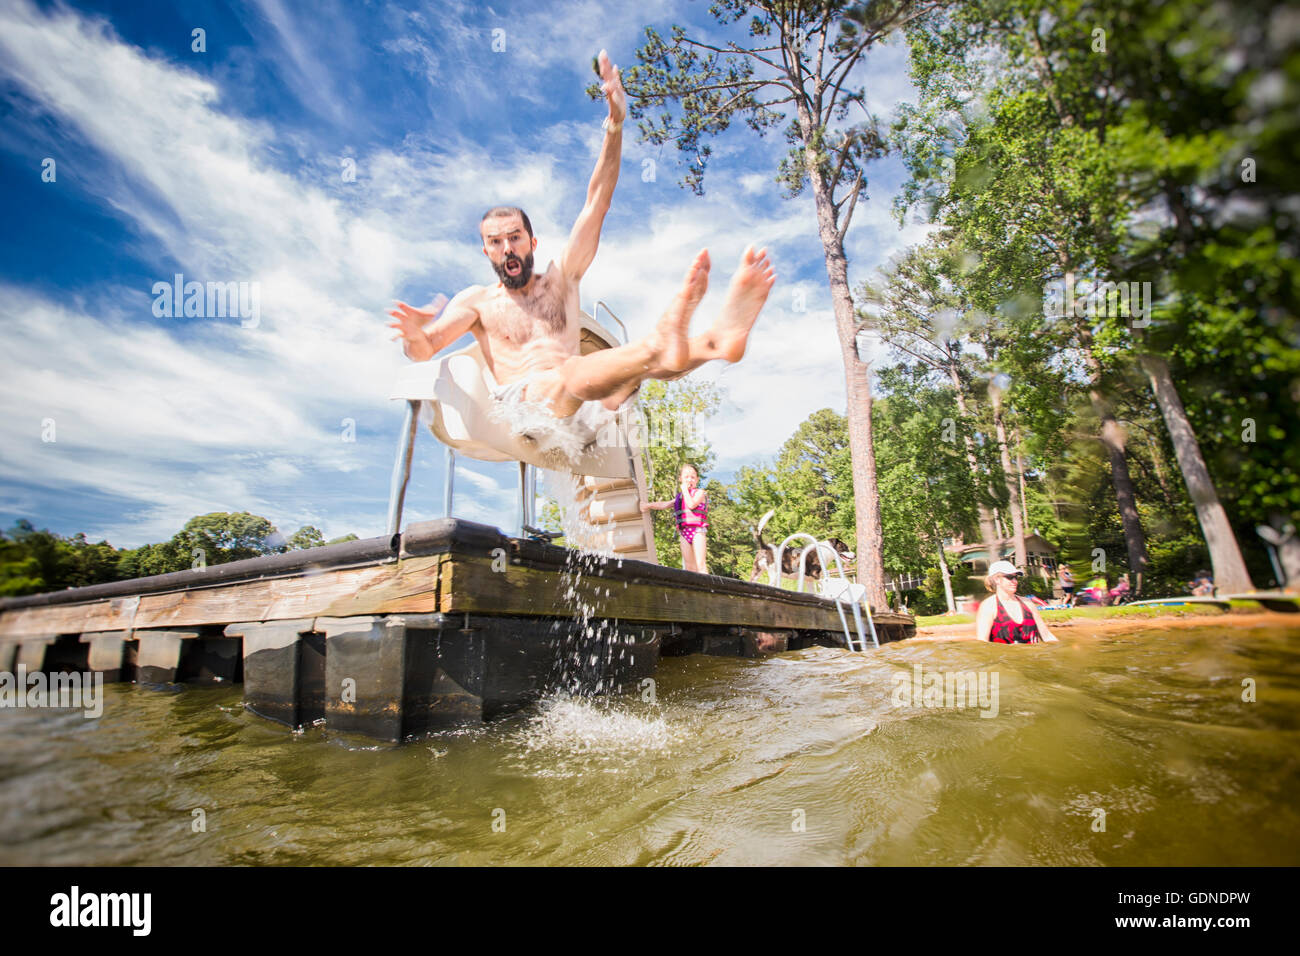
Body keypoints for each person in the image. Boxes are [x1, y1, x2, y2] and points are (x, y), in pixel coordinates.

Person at [387, 50, 776, 461]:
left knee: (629, 378)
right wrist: (414, 337)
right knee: (588, 371)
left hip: (581, 413)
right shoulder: (476, 301)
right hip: (523, 414)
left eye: (515, 238)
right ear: (486, 250)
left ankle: (715, 343)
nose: (507, 249)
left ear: (532, 243)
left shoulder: (562, 278)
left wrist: (615, 125)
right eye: (497, 242)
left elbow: (597, 202)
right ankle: (670, 343)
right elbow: (425, 350)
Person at [640, 464, 708, 573]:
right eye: (686, 477)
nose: (689, 479)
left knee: (700, 564)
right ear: (680, 479)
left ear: (697, 480)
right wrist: (647, 505)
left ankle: (708, 589)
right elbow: (664, 505)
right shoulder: (680, 497)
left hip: (698, 531)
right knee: (689, 567)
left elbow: (691, 505)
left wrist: (684, 490)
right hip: (684, 533)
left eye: (693, 477)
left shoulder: (700, 493)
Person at [975, 560, 1059, 644]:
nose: (1015, 581)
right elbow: (982, 643)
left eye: (1016, 577)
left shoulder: (1028, 603)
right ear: (997, 579)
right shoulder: (988, 606)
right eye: (1009, 577)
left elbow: (1047, 636)